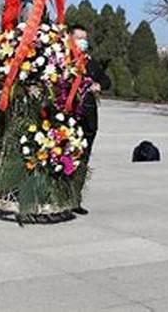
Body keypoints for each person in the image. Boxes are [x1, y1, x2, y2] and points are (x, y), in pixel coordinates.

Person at [68, 24, 112, 215]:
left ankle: (75, 199)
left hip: (89, 119)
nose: (82, 41)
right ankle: (61, 197)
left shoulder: (90, 63)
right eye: (79, 37)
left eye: (84, 38)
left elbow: (106, 80)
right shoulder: (63, 61)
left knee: (83, 160)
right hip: (69, 119)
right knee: (66, 158)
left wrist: (98, 84)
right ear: (70, 39)